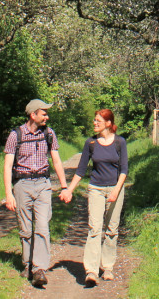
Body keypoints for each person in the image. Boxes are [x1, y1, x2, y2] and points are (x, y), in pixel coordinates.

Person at [3, 98, 71, 288]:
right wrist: (9, 194)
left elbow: (56, 161)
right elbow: (8, 166)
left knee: (42, 227)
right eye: (44, 113)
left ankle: (39, 269)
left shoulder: (49, 134)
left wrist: (64, 187)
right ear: (33, 115)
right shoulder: (15, 135)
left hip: (43, 184)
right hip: (22, 184)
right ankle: (27, 264)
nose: (47, 117)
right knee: (25, 229)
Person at [60, 108, 129, 287]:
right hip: (96, 189)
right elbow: (81, 170)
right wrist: (69, 190)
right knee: (94, 229)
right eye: (94, 120)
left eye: (98, 120)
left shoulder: (120, 142)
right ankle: (91, 271)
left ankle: (107, 267)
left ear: (108, 123)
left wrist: (116, 190)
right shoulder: (90, 143)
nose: (94, 123)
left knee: (112, 230)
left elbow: (124, 170)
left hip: (115, 189)